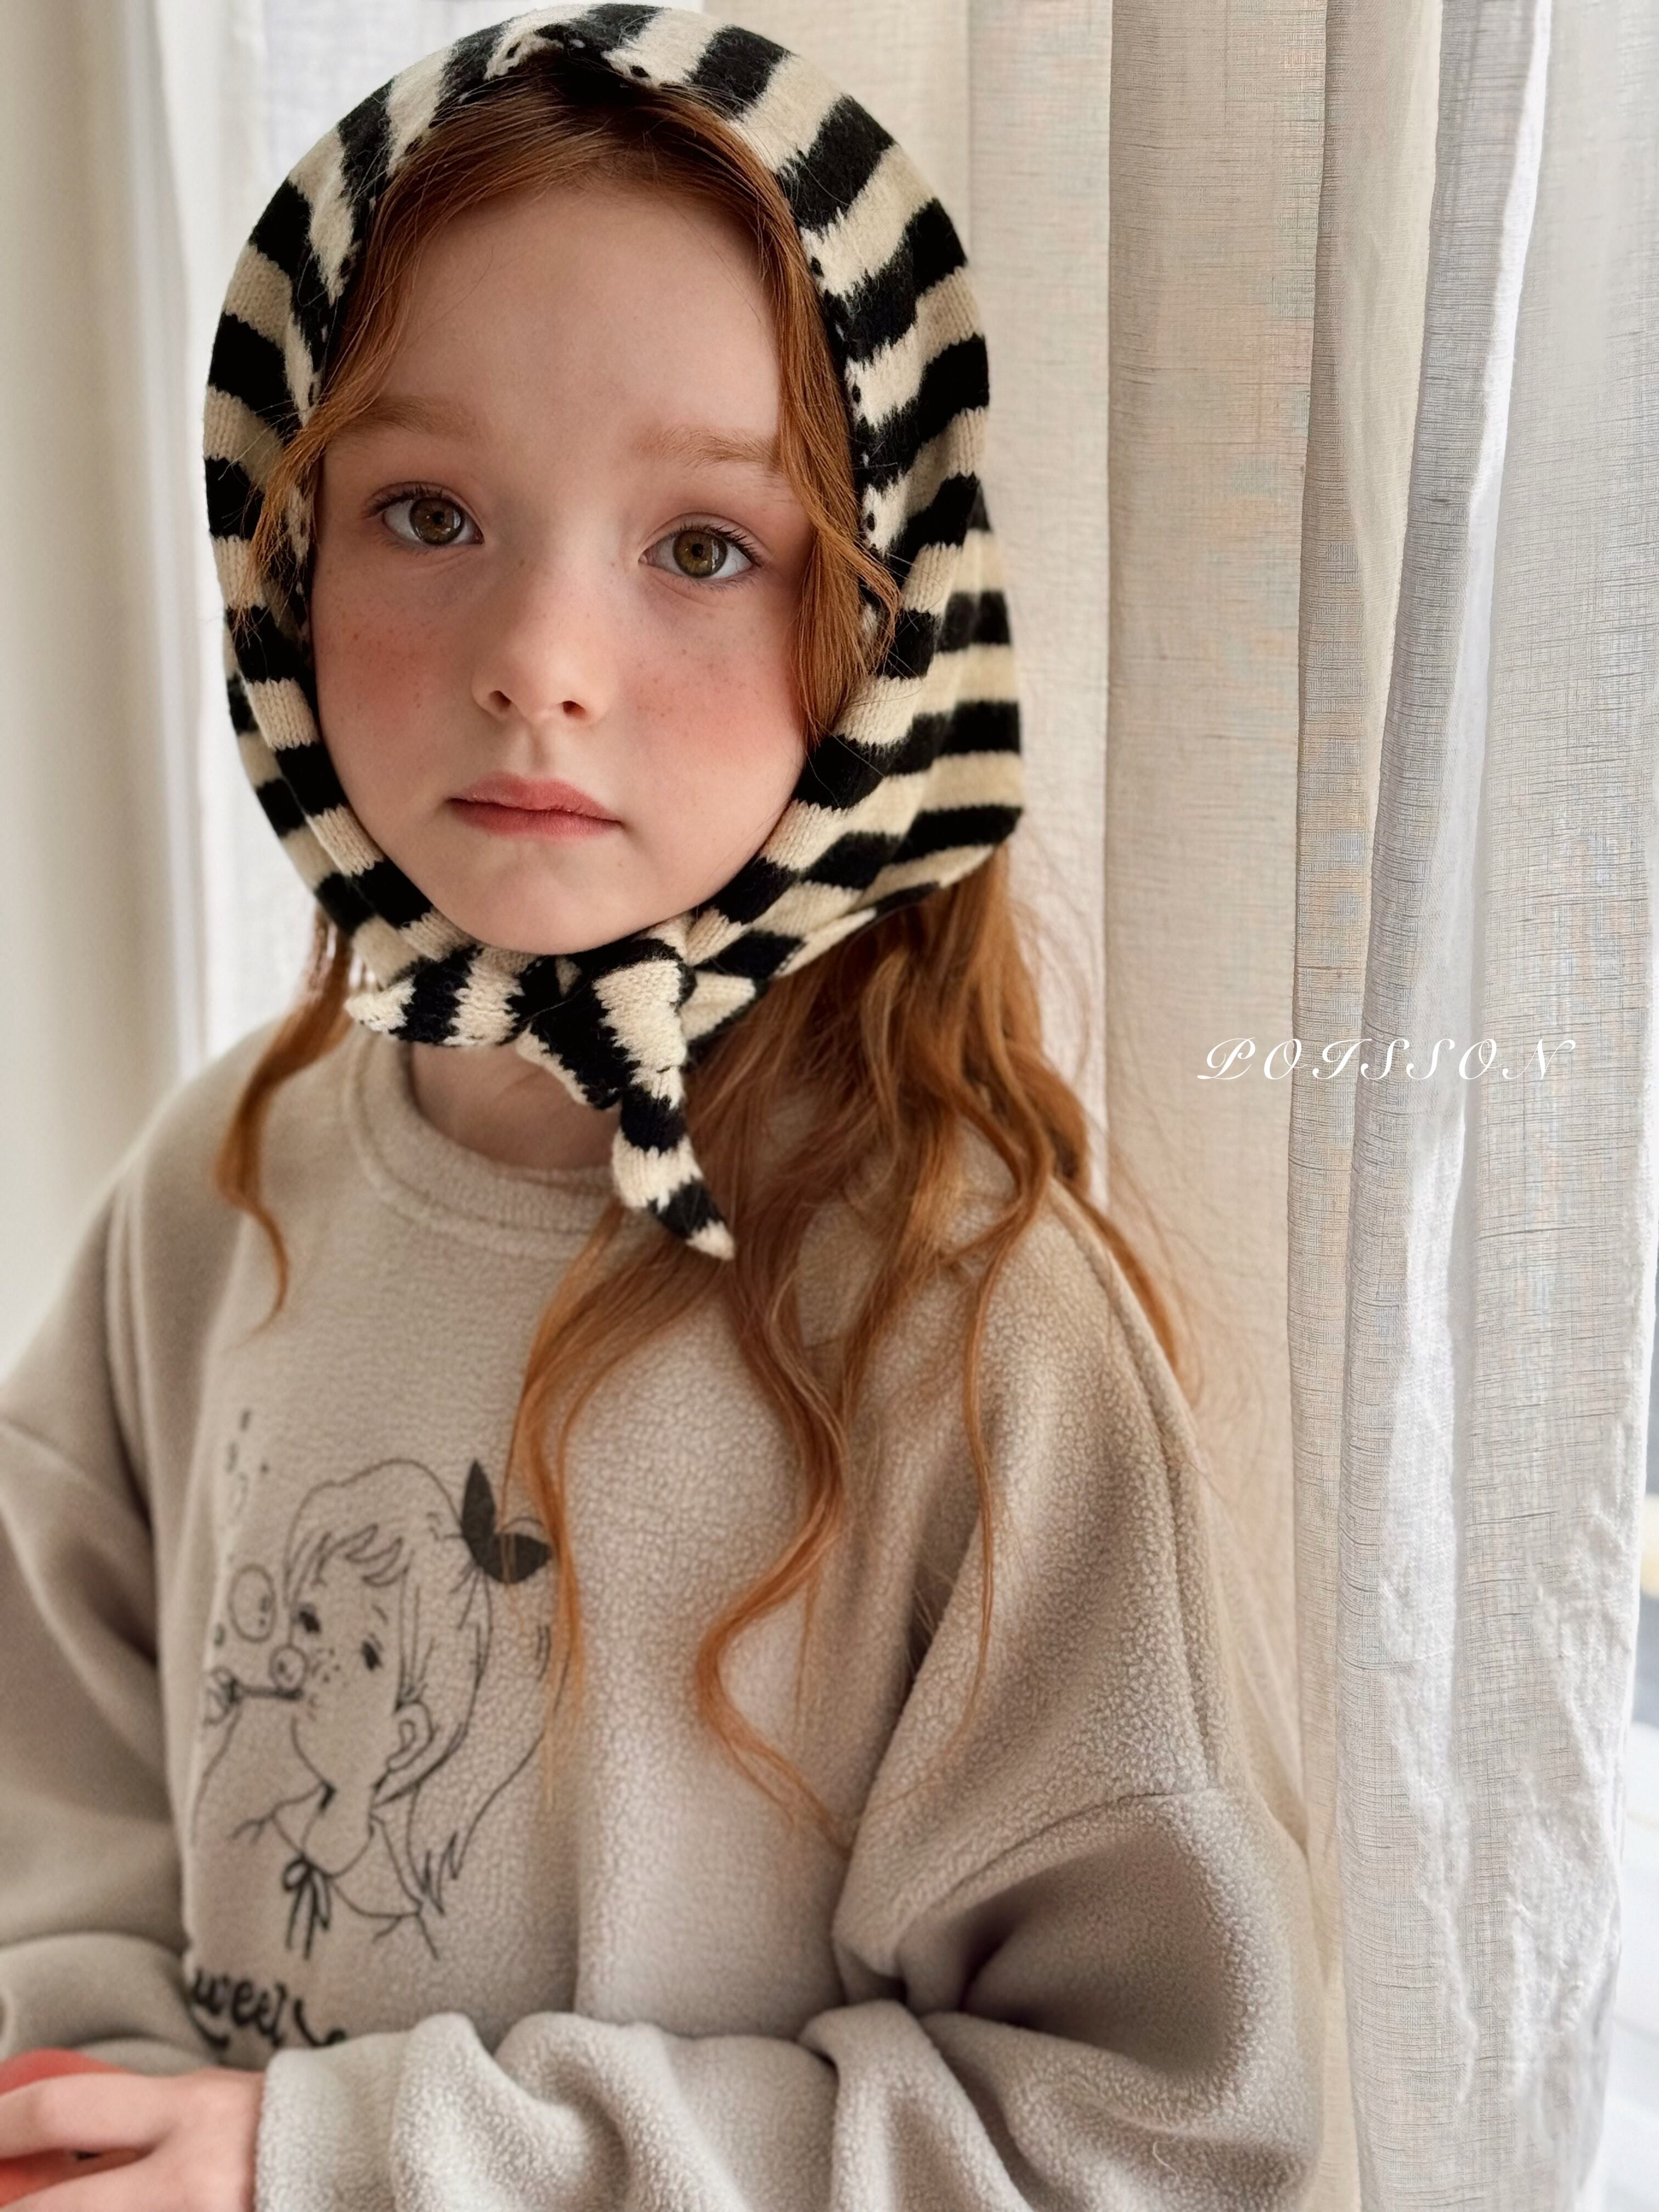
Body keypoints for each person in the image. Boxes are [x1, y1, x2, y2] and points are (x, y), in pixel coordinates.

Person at [0, 8, 1327, 2207]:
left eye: (703, 546)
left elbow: (1165, 2133)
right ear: (285, 556)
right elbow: (48, 1786)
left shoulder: (967, 1328)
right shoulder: (218, 1192)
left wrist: (346, 2165)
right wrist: (103, 2107)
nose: (540, 655)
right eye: (428, 512)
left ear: (876, 633)